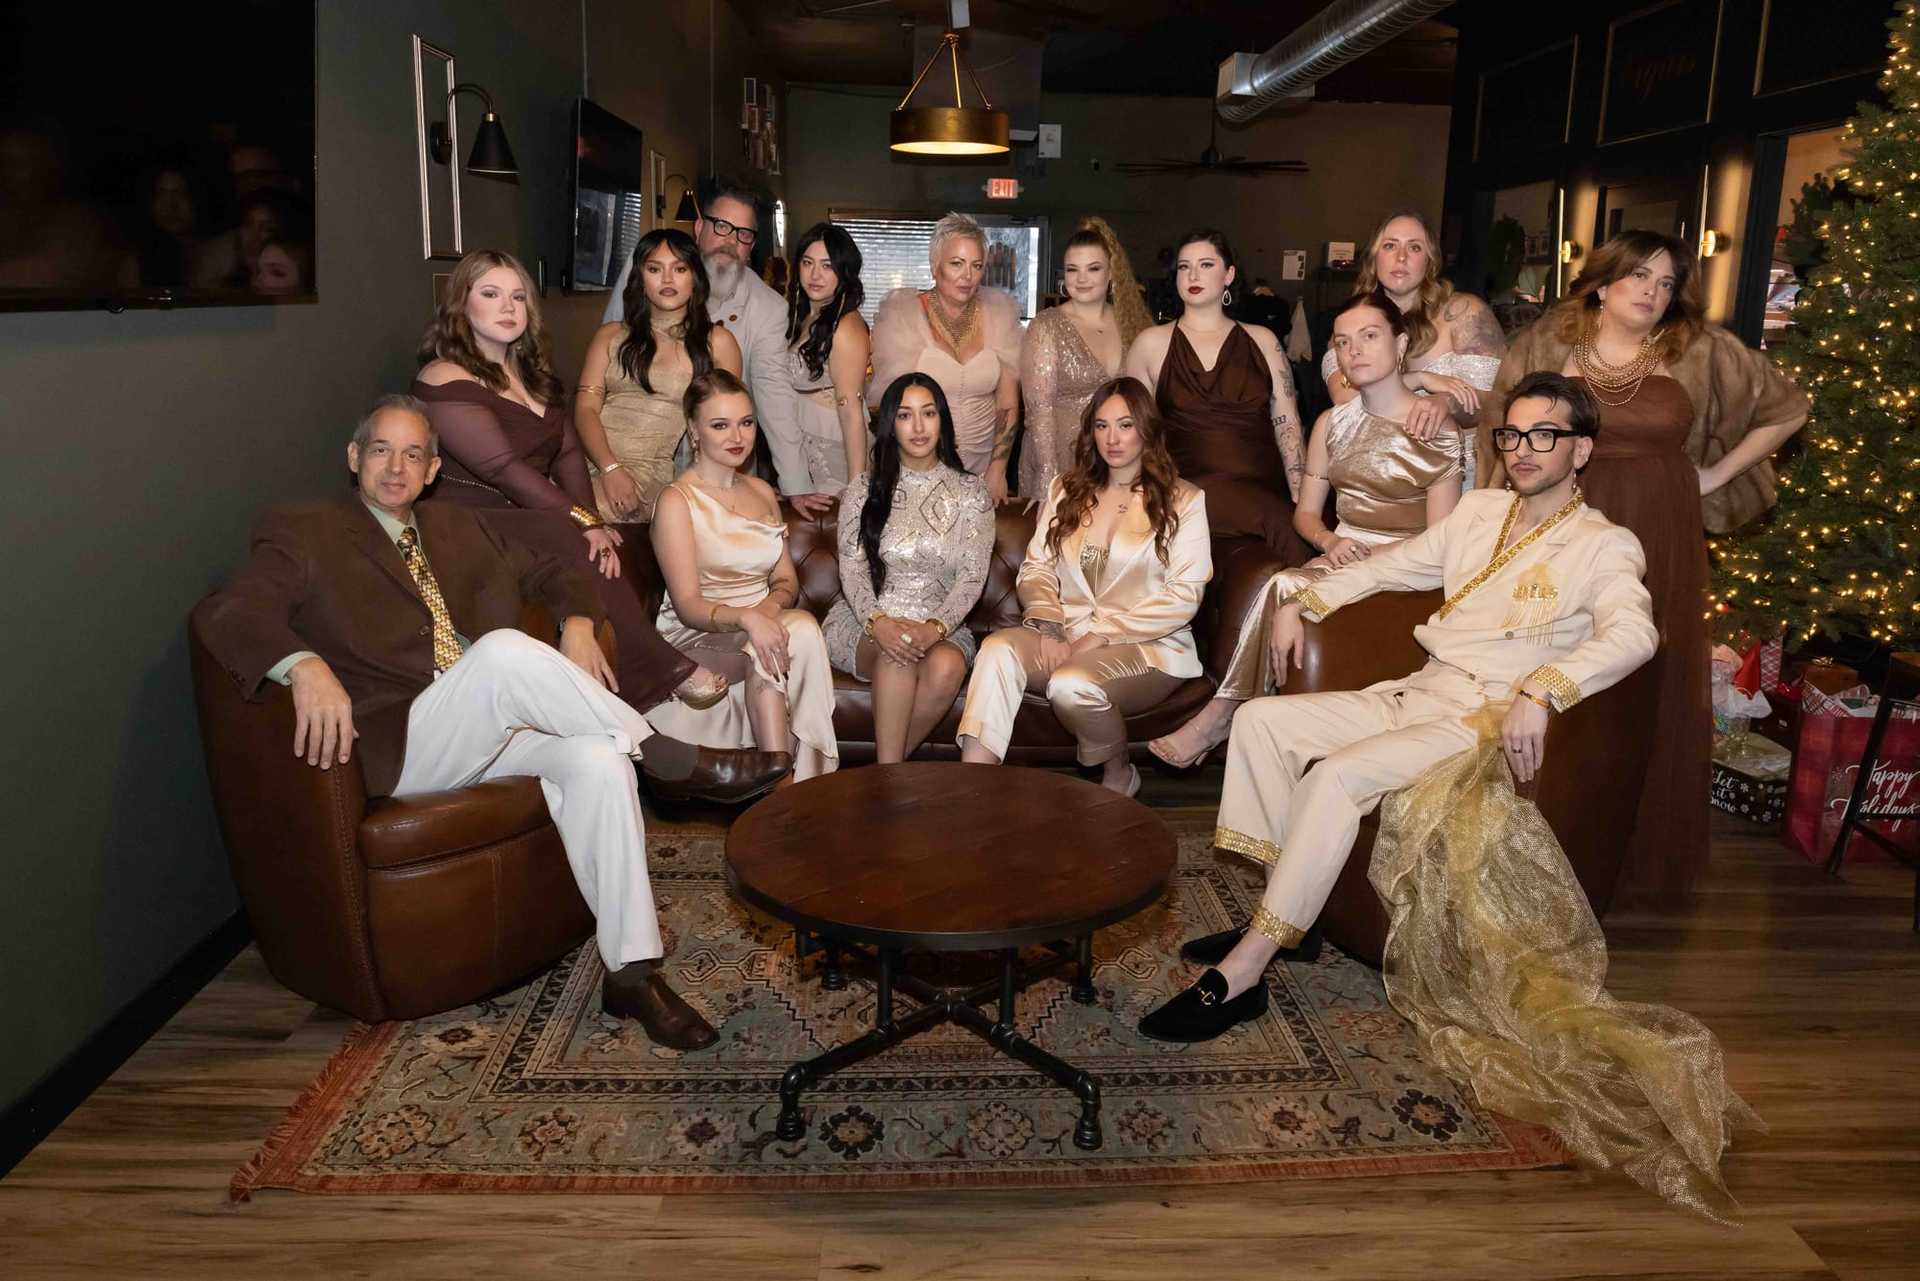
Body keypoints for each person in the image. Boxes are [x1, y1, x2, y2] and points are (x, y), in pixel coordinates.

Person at [192, 397, 792, 1048]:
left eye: (413, 455)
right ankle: (668, 758)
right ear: (354, 457)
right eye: (381, 450)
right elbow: (227, 611)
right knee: (502, 651)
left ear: (433, 470)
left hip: (484, 724)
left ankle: (632, 973)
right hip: (399, 742)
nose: (396, 467)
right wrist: (302, 665)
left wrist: (579, 621)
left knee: (598, 760)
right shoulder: (304, 530)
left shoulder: (457, 525)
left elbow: (555, 568)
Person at [1139, 371, 1657, 1038]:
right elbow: (1392, 565)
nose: (1523, 449)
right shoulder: (1478, 512)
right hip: (1422, 689)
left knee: (1335, 775)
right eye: (1512, 434)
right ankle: (1288, 916)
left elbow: (1635, 633)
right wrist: (1305, 598)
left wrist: (1543, 687)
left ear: (1580, 449)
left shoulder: (1603, 543)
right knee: (1261, 721)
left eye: (1544, 435)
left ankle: (1245, 969)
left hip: (1479, 718)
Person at [1481, 230, 1808, 896]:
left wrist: (1714, 475)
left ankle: (1631, 849)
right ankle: (1543, 833)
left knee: (1647, 675)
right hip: (1565, 520)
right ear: (1603, 283)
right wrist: (1497, 522)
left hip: (1662, 529)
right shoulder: (1548, 342)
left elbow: (1789, 408)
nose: (1653, 293)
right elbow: (1502, 428)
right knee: (1553, 659)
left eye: (1665, 283)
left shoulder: (1700, 349)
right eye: (1639, 276)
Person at [1149, 288, 1465, 767]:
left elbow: (1441, 542)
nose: (1355, 350)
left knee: (1286, 584)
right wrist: (1329, 540)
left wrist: (1366, 557)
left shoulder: (1435, 427)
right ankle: (1252, 725)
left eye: (1369, 336)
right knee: (1285, 581)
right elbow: (1306, 515)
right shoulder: (1331, 424)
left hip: (1411, 566)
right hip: (1342, 556)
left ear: (1400, 344)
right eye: (1343, 342)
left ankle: (1222, 714)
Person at [412, 248, 725, 716]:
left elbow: (569, 454)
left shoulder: (532, 376)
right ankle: (661, 670)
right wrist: (581, 520)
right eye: (491, 294)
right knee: (571, 532)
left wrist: (594, 520)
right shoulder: (443, 376)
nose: (507, 307)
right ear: (462, 303)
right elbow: (503, 469)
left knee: (605, 542)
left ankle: (625, 694)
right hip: (464, 525)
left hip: (529, 518)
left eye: (518, 297)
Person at [957, 377, 1211, 795]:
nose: (1112, 438)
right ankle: (973, 786)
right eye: (1101, 425)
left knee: (1071, 684)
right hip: (1067, 634)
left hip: (1150, 648)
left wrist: (1100, 635)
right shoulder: (1066, 490)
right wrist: (1050, 626)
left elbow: (1184, 596)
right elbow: (1037, 568)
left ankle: (1119, 770)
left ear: (1146, 429)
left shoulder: (1183, 500)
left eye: (1125, 425)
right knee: (997, 650)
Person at [647, 371, 839, 783]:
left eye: (746, 422)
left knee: (795, 629)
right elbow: (688, 606)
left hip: (758, 631)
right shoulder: (677, 501)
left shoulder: (763, 492)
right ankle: (792, 784)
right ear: (693, 430)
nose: (738, 437)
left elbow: (786, 582)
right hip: (698, 639)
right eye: (720, 425)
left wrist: (764, 614)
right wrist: (750, 619)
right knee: (795, 630)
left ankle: (778, 782)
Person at [604, 177, 826, 513]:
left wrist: (797, 485)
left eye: (744, 234)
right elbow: (609, 360)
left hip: (716, 471)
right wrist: (607, 465)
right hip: (631, 458)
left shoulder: (767, 307)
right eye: (721, 226)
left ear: (751, 247)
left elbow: (775, 395)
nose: (730, 242)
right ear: (699, 227)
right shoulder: (647, 270)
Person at [825, 374, 995, 762]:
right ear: (891, 424)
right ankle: (888, 777)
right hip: (865, 621)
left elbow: (972, 577)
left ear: (942, 420)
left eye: (928, 413)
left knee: (948, 665)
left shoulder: (972, 493)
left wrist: (935, 628)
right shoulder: (863, 489)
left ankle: (882, 778)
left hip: (942, 625)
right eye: (905, 415)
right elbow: (852, 570)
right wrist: (878, 622)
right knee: (897, 653)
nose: (918, 427)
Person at [1124, 228, 1305, 556]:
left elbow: (1287, 424)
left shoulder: (1263, 340)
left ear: (1229, 275)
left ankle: (1307, 583)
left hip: (1264, 490)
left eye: (1206, 265)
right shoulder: (1149, 344)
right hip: (1187, 493)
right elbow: (1134, 433)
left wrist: (1300, 499)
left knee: (1290, 526)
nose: (1193, 275)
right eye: (1184, 266)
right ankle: (1313, 585)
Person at [1319, 211, 1504, 488]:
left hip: (1458, 475)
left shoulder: (1464, 313)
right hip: (1377, 475)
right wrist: (1420, 380)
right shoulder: (1350, 322)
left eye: (1414, 247)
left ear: (1430, 260)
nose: (1401, 257)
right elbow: (1347, 401)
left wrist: (1446, 403)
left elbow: (1495, 400)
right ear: (1374, 258)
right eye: (1390, 246)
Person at [575, 230, 744, 523]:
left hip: (646, 476)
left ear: (695, 277)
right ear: (640, 278)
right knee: (544, 511)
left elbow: (724, 426)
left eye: (679, 269)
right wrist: (610, 468)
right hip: (586, 462)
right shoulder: (610, 335)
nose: (667, 279)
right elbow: (585, 409)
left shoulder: (718, 343)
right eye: (655, 269)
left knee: (574, 520)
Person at [868, 212, 1023, 500]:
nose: (968, 276)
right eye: (956, 264)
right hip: (919, 466)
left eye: (977, 265)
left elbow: (1007, 403)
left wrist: (998, 468)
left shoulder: (1000, 313)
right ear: (934, 265)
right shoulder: (904, 315)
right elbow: (892, 409)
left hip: (982, 468)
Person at [1018, 216, 1151, 498]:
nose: (1081, 279)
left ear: (1111, 273)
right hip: (1061, 465)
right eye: (1072, 269)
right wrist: (1050, 481)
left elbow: (1144, 404)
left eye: (1093, 268)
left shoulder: (1133, 324)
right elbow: (1039, 412)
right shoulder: (1046, 326)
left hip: (1120, 466)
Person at [784, 222, 872, 495]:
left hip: (834, 451)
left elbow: (851, 410)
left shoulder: (846, 326)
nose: (815, 275)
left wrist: (856, 488)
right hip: (803, 445)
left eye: (827, 266)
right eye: (807, 263)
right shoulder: (805, 315)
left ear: (844, 272)